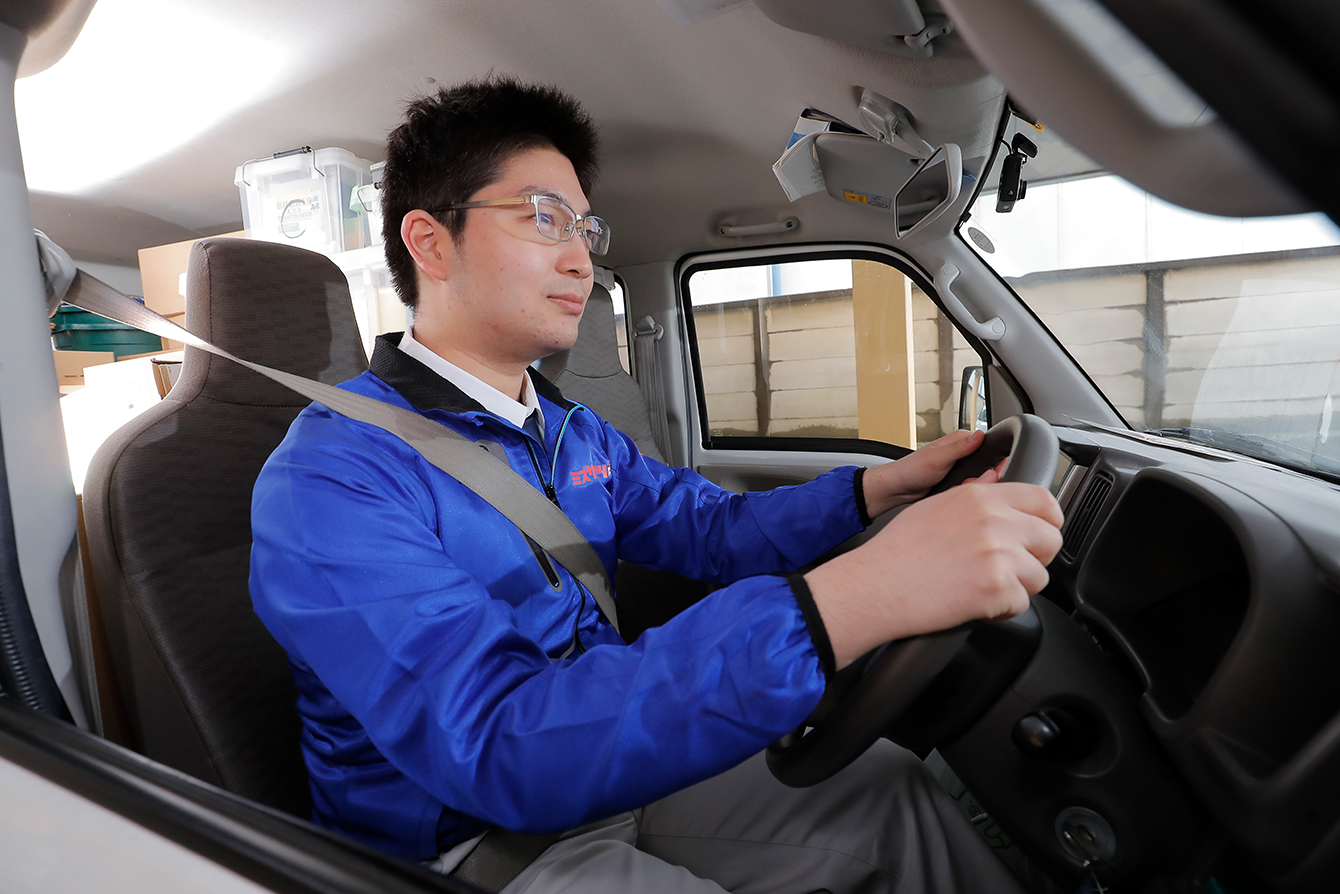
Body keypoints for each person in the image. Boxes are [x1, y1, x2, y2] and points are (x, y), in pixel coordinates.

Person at [249, 76, 1064, 893]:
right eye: (542, 218)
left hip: (611, 761)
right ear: (430, 241)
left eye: (585, 227)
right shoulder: (332, 476)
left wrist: (876, 491)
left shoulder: (570, 431)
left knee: (891, 790)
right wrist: (853, 599)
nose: (580, 256)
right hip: (472, 842)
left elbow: (711, 529)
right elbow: (494, 742)